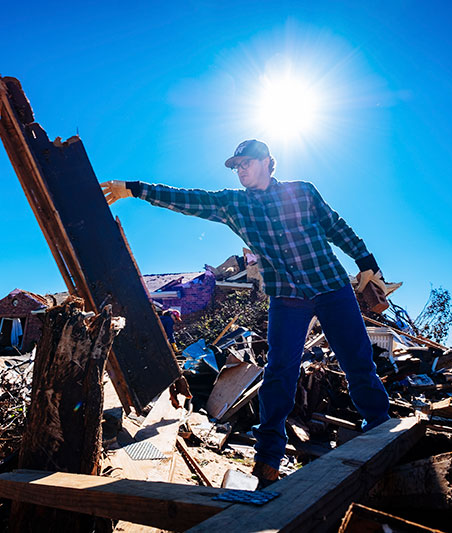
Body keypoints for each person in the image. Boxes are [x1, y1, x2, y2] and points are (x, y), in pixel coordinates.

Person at [101, 139, 390, 487]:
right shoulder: (233, 204)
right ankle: (268, 461)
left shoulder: (302, 192)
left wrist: (366, 261)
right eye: (236, 165)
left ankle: (379, 430)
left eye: (246, 162)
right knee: (280, 373)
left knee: (357, 360)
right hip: (286, 296)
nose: (240, 169)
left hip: (331, 286)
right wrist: (134, 189)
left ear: (269, 162)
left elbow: (336, 227)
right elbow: (189, 200)